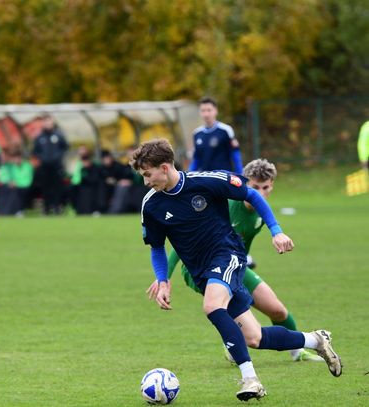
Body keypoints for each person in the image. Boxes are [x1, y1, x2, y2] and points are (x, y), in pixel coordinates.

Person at [132, 139, 342, 401]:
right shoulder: (151, 204)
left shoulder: (207, 181)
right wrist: (162, 280)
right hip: (200, 271)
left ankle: (250, 379)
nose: (145, 182)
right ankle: (315, 340)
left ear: (164, 167)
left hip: (227, 254)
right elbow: (157, 247)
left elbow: (251, 194)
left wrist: (276, 231)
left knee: (212, 306)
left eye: (147, 174)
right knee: (255, 338)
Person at [160, 158, 322, 362]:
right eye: (255, 187)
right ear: (245, 183)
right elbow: (181, 245)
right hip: (200, 269)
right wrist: (164, 278)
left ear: (272, 186)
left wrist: (274, 235)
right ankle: (234, 343)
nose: (261, 193)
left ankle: (297, 352)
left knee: (278, 311)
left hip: (235, 266)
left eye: (265, 187)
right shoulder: (227, 206)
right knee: (232, 316)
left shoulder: (261, 211)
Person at [189, 97, 243, 174]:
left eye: (209, 110)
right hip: (205, 177)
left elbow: (235, 156)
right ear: (199, 112)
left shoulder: (226, 130)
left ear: (215, 111)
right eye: (203, 111)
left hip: (223, 177)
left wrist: (241, 175)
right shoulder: (197, 133)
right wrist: (188, 174)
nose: (206, 114)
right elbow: (196, 159)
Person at [32, 115, 69, 215]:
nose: (47, 124)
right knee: (45, 187)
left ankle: (57, 207)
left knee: (57, 187)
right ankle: (46, 208)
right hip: (44, 167)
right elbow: (35, 151)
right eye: (45, 122)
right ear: (43, 123)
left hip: (56, 166)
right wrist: (42, 158)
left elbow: (65, 147)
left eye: (49, 121)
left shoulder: (58, 135)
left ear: (52, 123)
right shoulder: (39, 137)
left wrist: (58, 157)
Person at [0, 149, 34, 216]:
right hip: (12, 186)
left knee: (17, 191)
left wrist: (16, 183)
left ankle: (17, 210)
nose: (16, 160)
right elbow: (10, 177)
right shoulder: (11, 166)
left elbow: (28, 180)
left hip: (24, 186)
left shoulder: (27, 165)